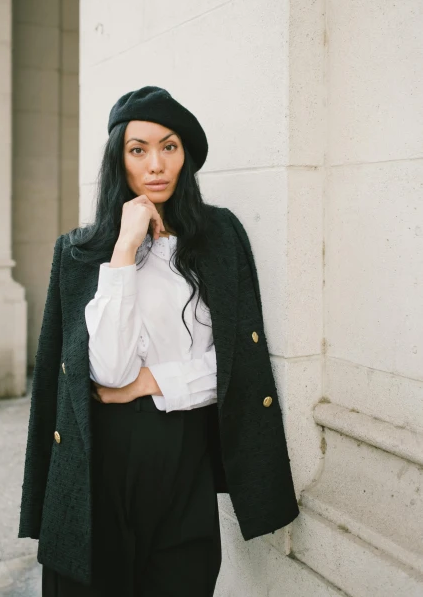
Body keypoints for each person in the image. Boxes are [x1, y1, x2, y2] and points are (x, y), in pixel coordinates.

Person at [18, 85, 300, 596]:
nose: (156, 165)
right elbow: (108, 374)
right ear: (118, 161)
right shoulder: (82, 253)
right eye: (138, 149)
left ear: (185, 155)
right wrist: (125, 248)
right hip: (98, 465)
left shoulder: (219, 237)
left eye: (169, 147)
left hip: (183, 457)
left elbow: (237, 365)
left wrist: (154, 381)